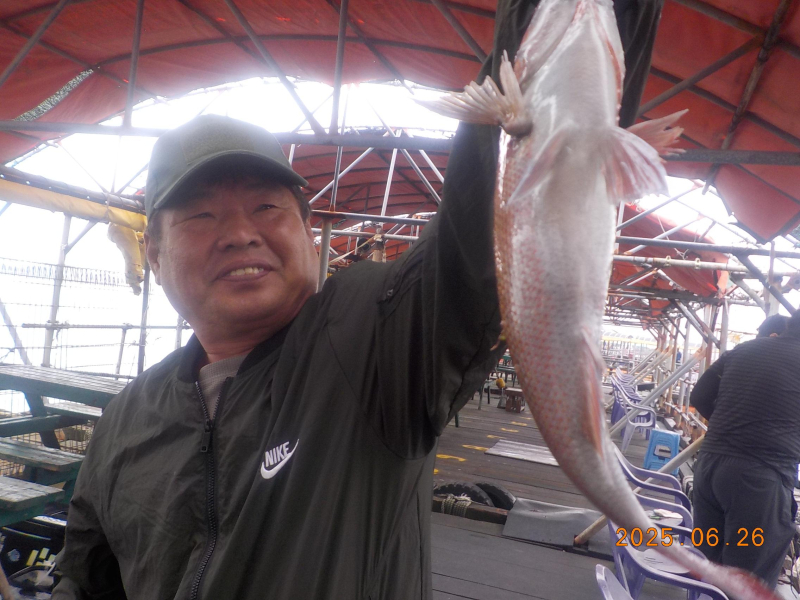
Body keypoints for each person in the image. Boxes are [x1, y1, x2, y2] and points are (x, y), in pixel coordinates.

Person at [53, 1, 663, 597]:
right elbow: (85, 578)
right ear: (155, 254)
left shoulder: (374, 342)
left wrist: (538, 31)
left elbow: (479, 246)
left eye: (266, 206)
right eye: (201, 216)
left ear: (308, 232)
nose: (240, 233)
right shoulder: (124, 422)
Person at [690, 312, 800, 588]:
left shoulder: (743, 349)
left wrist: (732, 429)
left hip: (709, 469)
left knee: (709, 568)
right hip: (759, 482)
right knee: (747, 583)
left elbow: (699, 396)